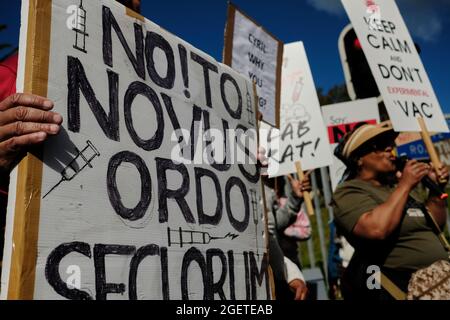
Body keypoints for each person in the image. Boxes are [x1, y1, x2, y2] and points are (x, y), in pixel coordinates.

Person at [331, 121, 449, 300]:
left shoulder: (395, 188)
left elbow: (436, 224)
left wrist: (435, 190)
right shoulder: (348, 192)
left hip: (441, 282)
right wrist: (405, 185)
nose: (389, 148)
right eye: (379, 145)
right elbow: (377, 229)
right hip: (407, 289)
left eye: (389, 143)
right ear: (358, 158)